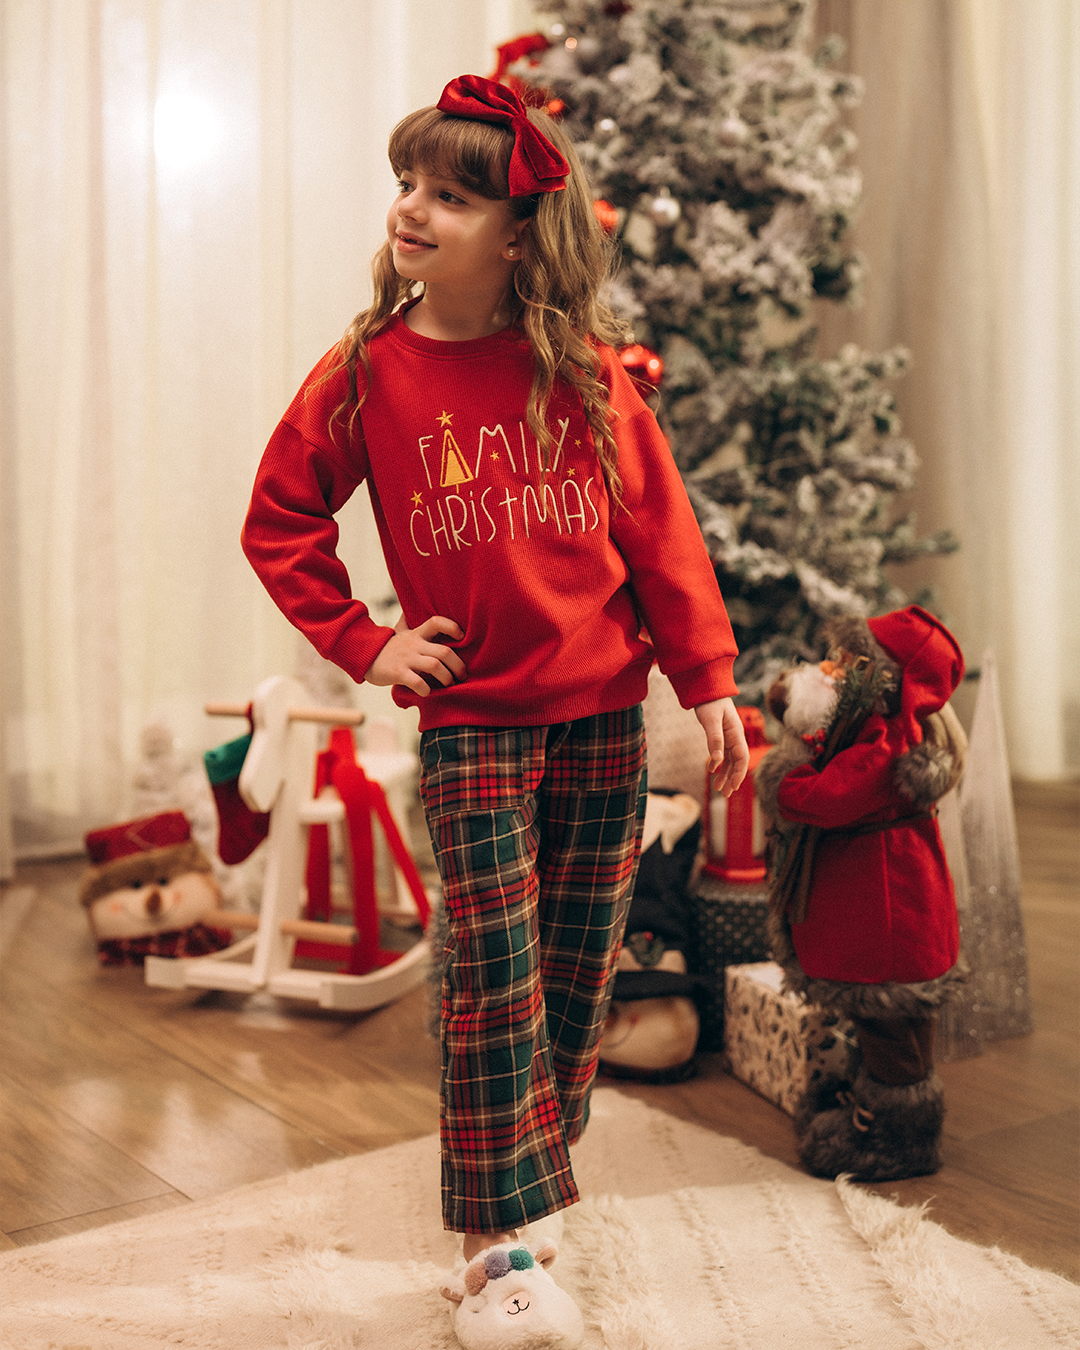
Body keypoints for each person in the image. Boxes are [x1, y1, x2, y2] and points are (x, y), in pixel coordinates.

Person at [242, 75, 748, 1266]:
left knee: (576, 973)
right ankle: (492, 1233)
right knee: (492, 972)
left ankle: (537, 1173)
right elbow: (280, 521)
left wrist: (709, 679)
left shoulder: (582, 370)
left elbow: (661, 534)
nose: (411, 209)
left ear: (518, 234)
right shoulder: (365, 371)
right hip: (472, 719)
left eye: (451, 196)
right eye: (406, 183)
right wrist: (369, 641)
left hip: (605, 715)